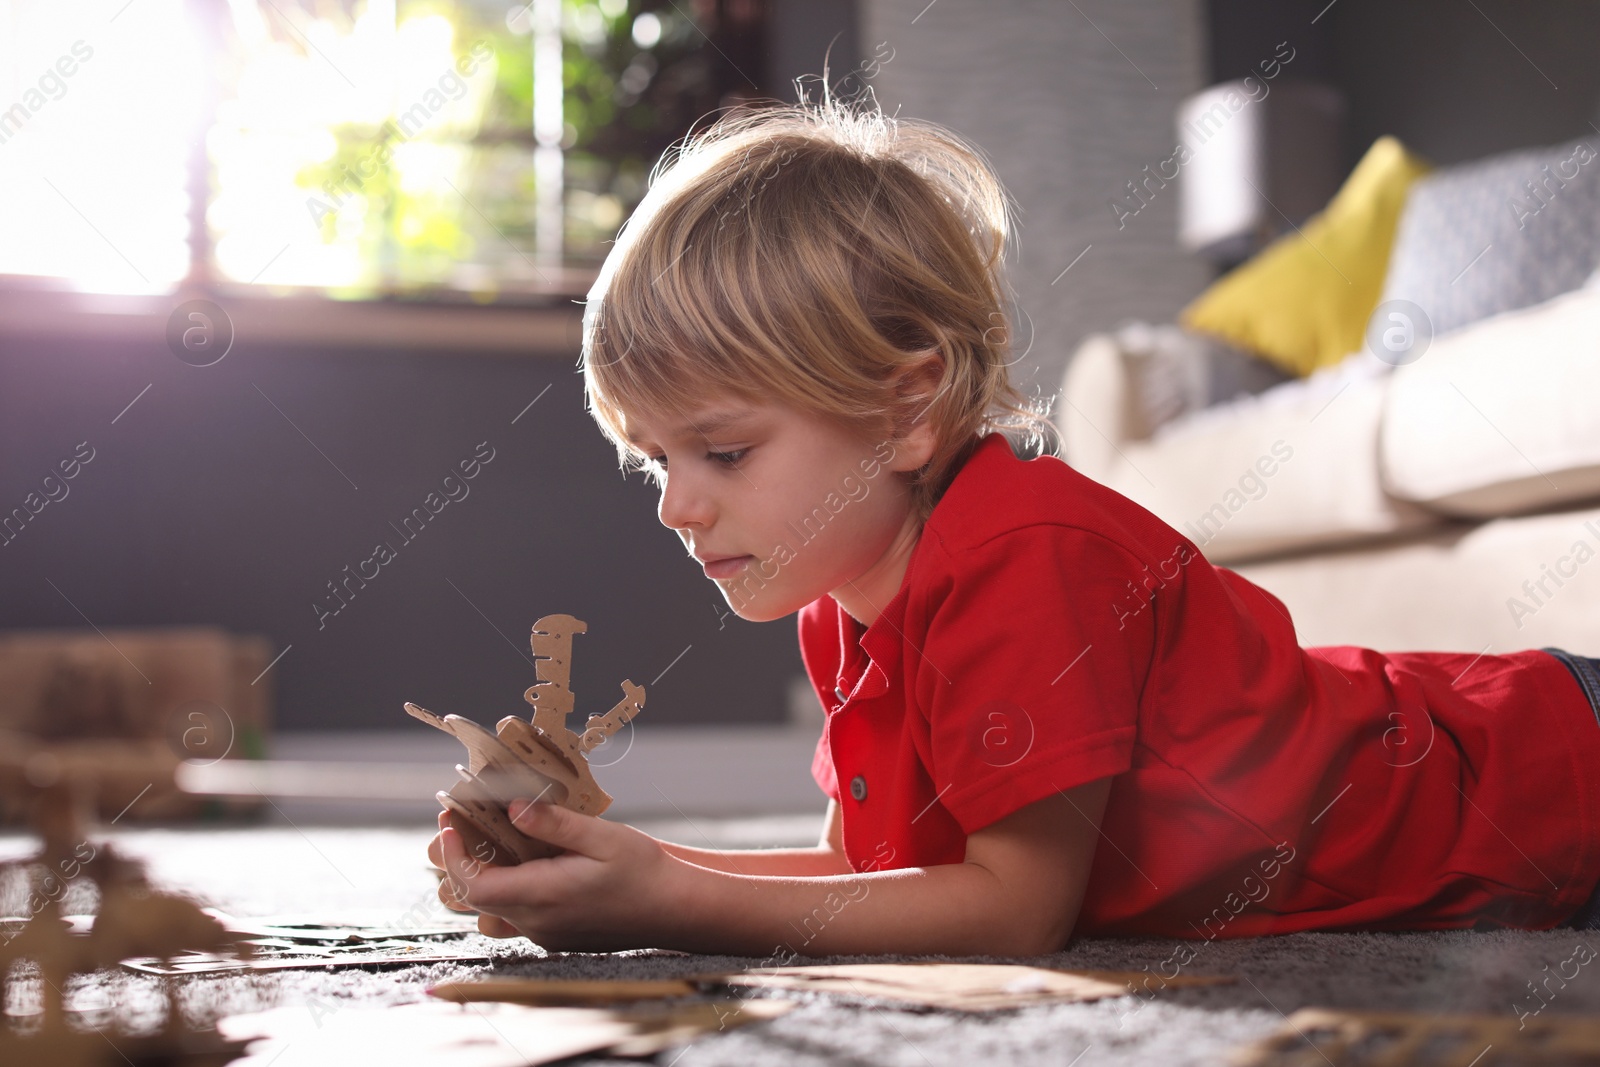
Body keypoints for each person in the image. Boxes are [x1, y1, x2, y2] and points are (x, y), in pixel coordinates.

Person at [428, 98, 1600, 957]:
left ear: (904, 407)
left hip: (1549, 774)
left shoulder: (1022, 555)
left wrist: (667, 900)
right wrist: (621, 876)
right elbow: (874, 874)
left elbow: (1011, 908)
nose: (680, 504)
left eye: (723, 452)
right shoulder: (846, 608)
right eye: (654, 462)